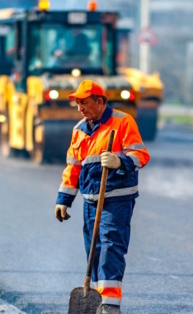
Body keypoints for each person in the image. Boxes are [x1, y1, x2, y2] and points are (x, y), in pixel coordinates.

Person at [55, 80, 150, 314]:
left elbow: (141, 154)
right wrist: (63, 200)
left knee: (110, 247)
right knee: (93, 251)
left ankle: (109, 305)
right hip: (90, 201)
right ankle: (96, 301)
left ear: (99, 102)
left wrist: (121, 161)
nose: (80, 108)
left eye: (84, 103)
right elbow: (73, 168)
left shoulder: (122, 121)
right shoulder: (79, 130)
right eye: (77, 103)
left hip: (116, 200)